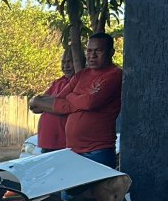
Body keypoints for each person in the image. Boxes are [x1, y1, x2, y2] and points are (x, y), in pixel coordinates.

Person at [29, 34, 122, 167]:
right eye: (89, 51)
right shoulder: (81, 75)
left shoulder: (114, 74)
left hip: (98, 150)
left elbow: (90, 102)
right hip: (73, 150)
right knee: (66, 187)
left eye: (98, 51)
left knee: (97, 188)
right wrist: (77, 98)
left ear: (111, 52)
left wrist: (71, 97)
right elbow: (60, 100)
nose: (92, 55)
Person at [34, 50, 76, 153]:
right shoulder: (58, 82)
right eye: (63, 62)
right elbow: (34, 106)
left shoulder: (78, 83)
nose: (66, 66)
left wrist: (44, 103)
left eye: (69, 62)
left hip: (64, 144)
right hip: (46, 142)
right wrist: (51, 103)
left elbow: (64, 107)